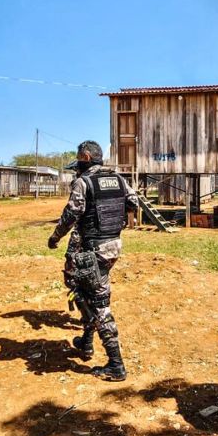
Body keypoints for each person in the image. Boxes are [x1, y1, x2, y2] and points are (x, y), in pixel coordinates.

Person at [47, 140, 137, 382]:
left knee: (97, 302)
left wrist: (55, 237)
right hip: (113, 246)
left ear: (85, 157)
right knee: (82, 291)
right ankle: (86, 342)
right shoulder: (118, 179)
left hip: (93, 250)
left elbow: (71, 214)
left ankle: (116, 365)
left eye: (78, 158)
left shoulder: (83, 182)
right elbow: (133, 203)